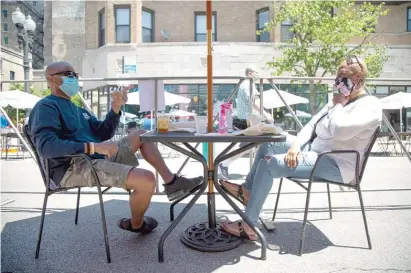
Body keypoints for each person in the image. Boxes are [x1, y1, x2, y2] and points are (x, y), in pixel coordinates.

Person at [28, 62, 203, 234]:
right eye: (68, 74)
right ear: (51, 80)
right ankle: (136, 224)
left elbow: (103, 133)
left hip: (95, 158)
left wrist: (115, 108)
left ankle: (172, 182)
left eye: (75, 74)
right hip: (71, 167)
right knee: (146, 179)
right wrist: (92, 147)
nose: (74, 78)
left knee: (142, 134)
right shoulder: (46, 106)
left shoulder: (77, 108)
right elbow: (46, 147)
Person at [219, 56, 382, 240]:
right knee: (268, 142)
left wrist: (338, 105)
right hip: (314, 152)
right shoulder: (336, 101)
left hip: (337, 164)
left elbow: (339, 131)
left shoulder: (370, 105)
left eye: (343, 76)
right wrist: (295, 146)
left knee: (269, 164)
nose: (338, 80)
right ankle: (248, 192)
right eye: (337, 76)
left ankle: (248, 226)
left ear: (359, 78)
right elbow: (311, 125)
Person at [219, 66, 274, 178]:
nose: (258, 75)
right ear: (250, 73)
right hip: (246, 120)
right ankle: (224, 163)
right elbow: (254, 102)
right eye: (256, 73)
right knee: (251, 145)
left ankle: (259, 170)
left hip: (247, 119)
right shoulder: (248, 84)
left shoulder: (247, 84)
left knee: (256, 145)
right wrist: (267, 114)